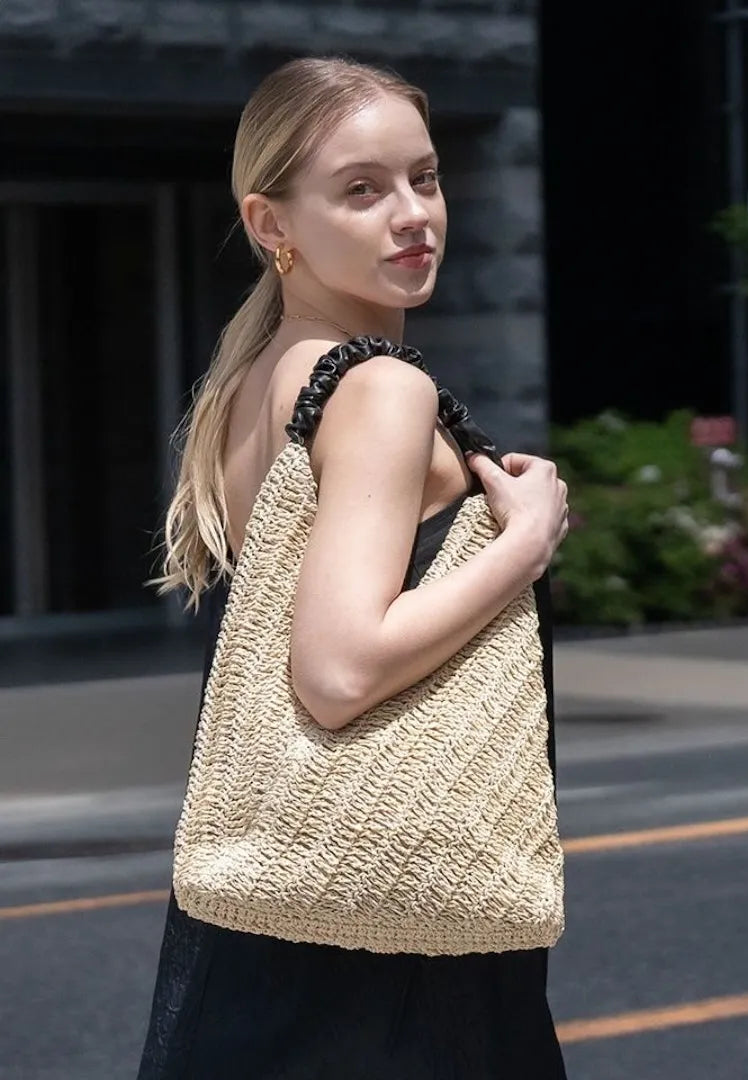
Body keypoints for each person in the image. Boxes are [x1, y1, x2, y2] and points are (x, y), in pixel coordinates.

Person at [138, 54, 569, 1080]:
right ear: (271, 224)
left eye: (424, 178)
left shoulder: (252, 382)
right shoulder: (378, 389)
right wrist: (523, 544)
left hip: (279, 898)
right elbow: (336, 672)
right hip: (396, 929)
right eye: (362, 191)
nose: (412, 214)